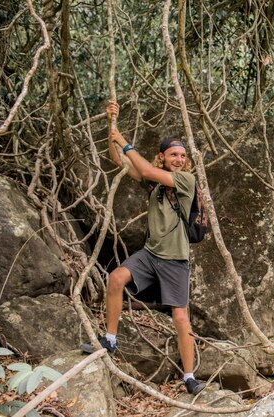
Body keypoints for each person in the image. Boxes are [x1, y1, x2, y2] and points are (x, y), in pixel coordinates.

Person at [81, 101, 205, 395]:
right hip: (150, 255)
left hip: (175, 260)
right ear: (163, 157)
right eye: (173, 154)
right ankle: (110, 340)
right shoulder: (155, 186)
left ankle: (189, 376)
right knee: (116, 278)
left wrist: (124, 140)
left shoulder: (186, 180)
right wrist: (112, 125)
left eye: (182, 156)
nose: (179, 159)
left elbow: (146, 169)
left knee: (180, 316)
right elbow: (119, 161)